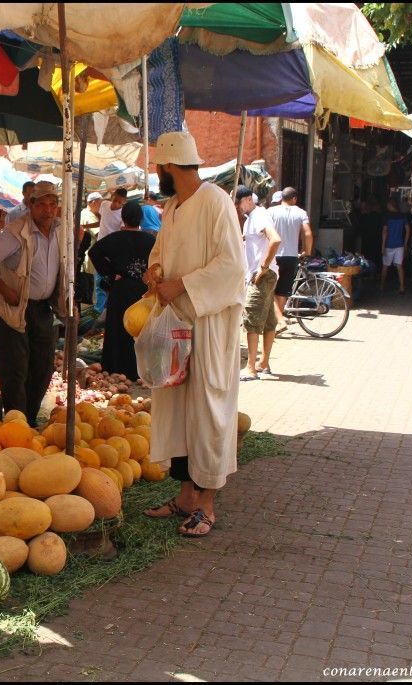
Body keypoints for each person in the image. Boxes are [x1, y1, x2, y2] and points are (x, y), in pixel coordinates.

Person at [140, 131, 246, 538]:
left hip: (209, 325)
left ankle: (207, 505)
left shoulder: (216, 202)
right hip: (176, 328)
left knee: (207, 411)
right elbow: (160, 252)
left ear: (169, 165)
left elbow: (232, 267)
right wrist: (155, 271)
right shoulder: (171, 207)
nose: (157, 173)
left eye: (158, 166)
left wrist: (182, 284)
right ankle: (185, 496)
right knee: (179, 409)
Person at [0, 180, 66, 425]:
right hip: (14, 307)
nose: (48, 210)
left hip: (43, 308)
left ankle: (29, 419)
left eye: (52, 204)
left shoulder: (60, 231)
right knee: (15, 368)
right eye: (42, 204)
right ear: (30, 205)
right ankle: (16, 422)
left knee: (43, 367)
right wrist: (5, 291)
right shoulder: (17, 232)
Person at [88, 200, 156, 379]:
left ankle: (114, 368)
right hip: (143, 291)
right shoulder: (151, 241)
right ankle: (139, 370)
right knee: (141, 330)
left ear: (123, 218)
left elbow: (93, 252)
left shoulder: (114, 238)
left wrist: (110, 274)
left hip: (120, 289)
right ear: (140, 218)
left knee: (118, 328)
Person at [237, 186, 282, 380]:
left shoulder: (259, 215)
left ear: (248, 199)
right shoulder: (251, 219)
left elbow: (275, 240)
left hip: (262, 275)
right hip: (264, 274)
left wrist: (263, 268)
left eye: (238, 202)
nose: (237, 207)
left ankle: (251, 368)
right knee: (269, 319)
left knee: (252, 319)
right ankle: (263, 363)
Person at [267, 187, 312, 330]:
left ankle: (277, 323)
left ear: (281, 199)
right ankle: (278, 322)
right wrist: (307, 251)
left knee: (270, 289)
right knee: (282, 291)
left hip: (274, 256)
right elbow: (308, 233)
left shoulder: (271, 212)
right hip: (291, 256)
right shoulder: (300, 212)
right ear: (294, 199)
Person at [380, 197, 411, 294]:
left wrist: (382, 246)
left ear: (390, 205)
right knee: (399, 266)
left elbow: (385, 231)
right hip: (400, 245)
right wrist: (405, 243)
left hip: (389, 245)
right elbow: (408, 230)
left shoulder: (387, 216)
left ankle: (382, 285)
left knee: (385, 266)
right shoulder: (403, 216)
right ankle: (402, 287)